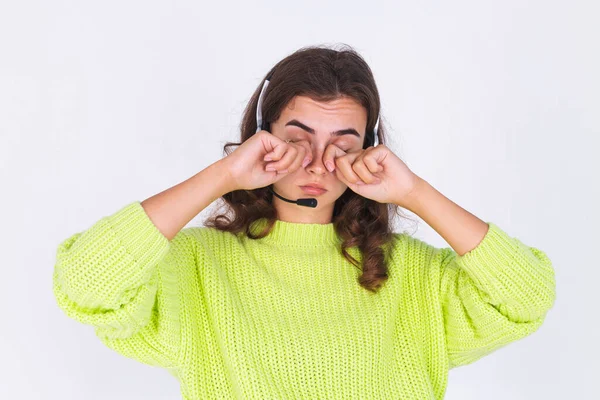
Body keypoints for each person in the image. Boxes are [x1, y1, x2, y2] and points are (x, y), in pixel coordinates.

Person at [52, 44, 556, 399]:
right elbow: (84, 285)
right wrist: (223, 175)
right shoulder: (196, 266)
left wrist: (414, 193)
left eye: (344, 142)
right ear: (260, 135)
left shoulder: (413, 275)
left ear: (370, 149)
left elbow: (528, 298)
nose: (318, 163)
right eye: (297, 137)